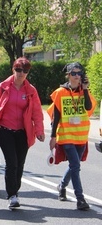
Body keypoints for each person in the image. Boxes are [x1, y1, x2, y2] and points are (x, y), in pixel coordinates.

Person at [0, 57, 45, 209]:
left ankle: (15, 190)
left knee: (20, 164)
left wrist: (39, 130)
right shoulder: (3, 87)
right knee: (11, 163)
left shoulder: (31, 90)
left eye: (25, 71)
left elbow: (37, 112)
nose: (21, 73)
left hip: (23, 132)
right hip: (5, 130)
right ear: (13, 70)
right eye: (18, 70)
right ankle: (12, 195)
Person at [48, 62, 96, 211]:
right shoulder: (60, 92)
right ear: (68, 75)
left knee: (74, 166)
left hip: (81, 135)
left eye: (79, 73)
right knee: (75, 166)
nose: (77, 76)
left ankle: (62, 186)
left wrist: (86, 89)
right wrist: (52, 136)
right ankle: (80, 199)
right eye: (73, 73)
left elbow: (88, 107)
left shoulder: (84, 91)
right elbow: (56, 117)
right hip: (66, 135)